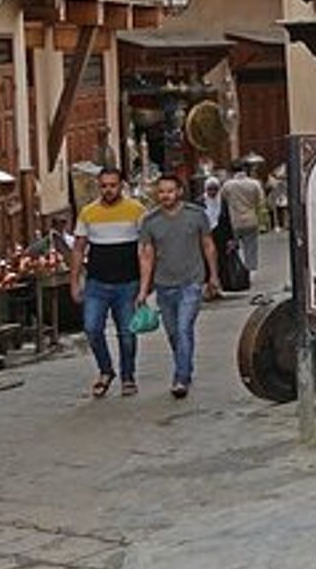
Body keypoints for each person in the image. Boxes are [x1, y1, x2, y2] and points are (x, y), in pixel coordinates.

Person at [135, 176, 222, 398]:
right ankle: (185, 365)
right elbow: (147, 256)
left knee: (184, 328)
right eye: (162, 191)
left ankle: (181, 377)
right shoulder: (150, 221)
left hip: (191, 281)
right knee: (173, 333)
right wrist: (144, 290)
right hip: (164, 284)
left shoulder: (196, 215)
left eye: (170, 191)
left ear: (180, 191)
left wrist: (213, 276)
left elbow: (208, 245)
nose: (166, 195)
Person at [71, 166, 147, 397]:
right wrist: (74, 281)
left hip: (128, 282)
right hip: (97, 282)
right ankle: (106, 370)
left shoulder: (137, 210)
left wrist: (145, 283)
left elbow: (146, 249)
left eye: (112, 185)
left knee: (127, 333)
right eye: (104, 186)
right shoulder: (88, 212)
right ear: (98, 186)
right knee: (92, 328)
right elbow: (78, 248)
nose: (108, 190)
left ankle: (127, 376)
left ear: (121, 186)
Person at [219, 163, 268, 272]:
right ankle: (251, 270)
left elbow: (223, 199)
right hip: (251, 219)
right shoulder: (254, 183)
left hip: (234, 221)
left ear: (232, 172)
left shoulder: (228, 185)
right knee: (251, 247)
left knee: (234, 247)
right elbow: (261, 200)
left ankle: (238, 269)